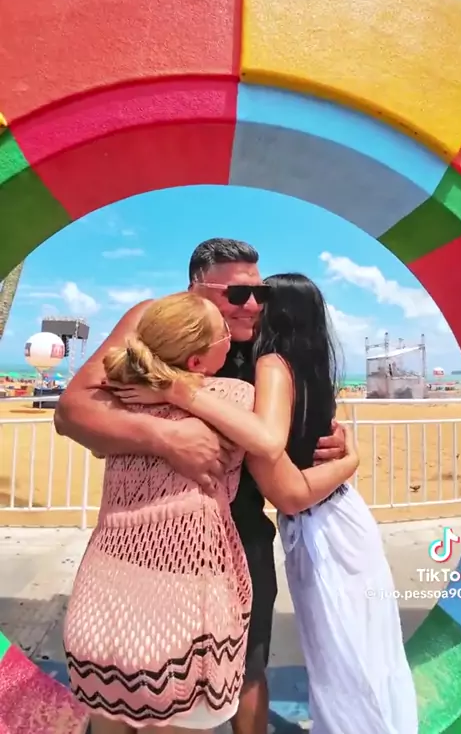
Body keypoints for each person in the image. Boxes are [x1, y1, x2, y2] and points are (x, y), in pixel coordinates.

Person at [54, 239, 347, 734]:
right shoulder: (153, 321)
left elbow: (282, 427)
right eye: (236, 293)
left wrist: (334, 440)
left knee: (247, 668)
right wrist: (165, 437)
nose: (251, 305)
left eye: (259, 293)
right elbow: (72, 411)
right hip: (147, 539)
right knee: (136, 669)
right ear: (195, 288)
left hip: (239, 530)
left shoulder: (265, 345)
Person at [115, 274, 417, 734]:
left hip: (320, 522)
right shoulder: (309, 362)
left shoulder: (271, 365)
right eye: (245, 295)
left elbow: (285, 482)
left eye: (263, 298)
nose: (253, 305)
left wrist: (173, 390)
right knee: (359, 652)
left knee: (345, 657)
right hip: (337, 516)